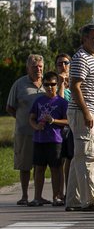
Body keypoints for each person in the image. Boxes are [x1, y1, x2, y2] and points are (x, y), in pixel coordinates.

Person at [65, 24, 94, 212]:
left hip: (90, 112)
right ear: (84, 39)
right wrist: (86, 112)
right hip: (83, 113)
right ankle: (90, 200)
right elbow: (75, 86)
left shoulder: (91, 58)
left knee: (79, 157)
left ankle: (74, 200)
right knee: (88, 156)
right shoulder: (81, 58)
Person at [5, 53, 44, 206]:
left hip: (43, 133)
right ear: (28, 68)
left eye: (40, 67)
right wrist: (23, 119)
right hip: (25, 131)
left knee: (40, 165)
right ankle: (24, 195)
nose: (38, 70)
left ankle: (38, 196)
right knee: (25, 165)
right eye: (35, 67)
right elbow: (9, 107)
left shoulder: (47, 83)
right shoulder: (19, 84)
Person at [27, 71, 69, 207]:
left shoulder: (62, 102)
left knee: (55, 169)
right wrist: (36, 126)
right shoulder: (39, 101)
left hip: (55, 139)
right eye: (47, 85)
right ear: (43, 85)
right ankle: (37, 197)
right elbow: (31, 118)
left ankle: (57, 196)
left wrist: (53, 120)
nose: (50, 87)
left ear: (57, 85)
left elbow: (68, 121)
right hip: (39, 139)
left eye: (53, 84)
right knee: (39, 168)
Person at [54, 53, 74, 190]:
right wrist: (60, 84)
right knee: (59, 161)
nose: (63, 66)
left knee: (71, 159)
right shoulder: (52, 83)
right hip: (59, 126)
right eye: (60, 63)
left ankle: (69, 190)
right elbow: (59, 103)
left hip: (73, 124)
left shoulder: (75, 81)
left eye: (66, 63)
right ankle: (59, 192)